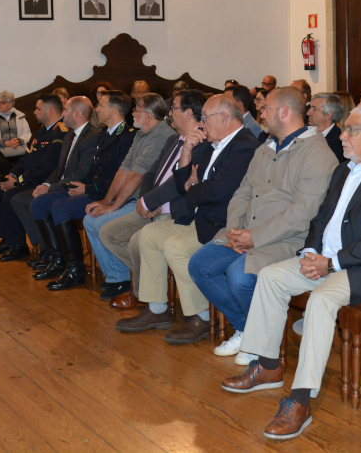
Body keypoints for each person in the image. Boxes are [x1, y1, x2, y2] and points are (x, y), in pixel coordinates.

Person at [219, 106, 361, 440]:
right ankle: (268, 366)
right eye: (345, 129)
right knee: (270, 277)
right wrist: (310, 252)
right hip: (324, 259)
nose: (342, 135)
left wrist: (331, 262)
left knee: (321, 302)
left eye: (352, 130)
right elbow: (320, 218)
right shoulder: (342, 171)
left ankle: (300, 400)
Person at [188, 87, 337, 364]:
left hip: (287, 240)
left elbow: (301, 214)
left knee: (240, 276)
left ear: (284, 112)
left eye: (265, 108)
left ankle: (259, 341)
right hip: (246, 233)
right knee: (200, 265)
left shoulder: (317, 153)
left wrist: (254, 238)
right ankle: (248, 328)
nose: (260, 113)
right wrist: (234, 231)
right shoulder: (265, 148)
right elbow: (242, 192)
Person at [114, 94, 259, 343]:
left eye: (205, 118)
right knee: (147, 236)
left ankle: (202, 316)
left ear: (224, 118)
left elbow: (218, 190)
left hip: (222, 223)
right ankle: (158, 310)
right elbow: (183, 182)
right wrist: (187, 150)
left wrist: (193, 187)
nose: (201, 124)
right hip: (201, 216)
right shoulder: (214, 143)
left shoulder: (244, 145)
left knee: (176, 247)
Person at [99, 90, 207, 306]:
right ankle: (150, 281)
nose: (169, 112)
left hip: (174, 211)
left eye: (174, 108)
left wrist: (150, 202)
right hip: (153, 205)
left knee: (138, 242)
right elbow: (150, 173)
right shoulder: (173, 139)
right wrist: (145, 201)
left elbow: (179, 184)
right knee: (108, 233)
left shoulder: (202, 142)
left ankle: (144, 294)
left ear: (188, 113)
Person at [9, 95, 114, 276]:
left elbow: (80, 174)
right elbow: (59, 168)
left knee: (45, 204)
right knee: (37, 201)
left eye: (65, 110)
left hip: (78, 188)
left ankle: (69, 264)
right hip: (63, 185)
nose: (62, 114)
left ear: (77, 113)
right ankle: (56, 257)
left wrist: (52, 188)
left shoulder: (92, 137)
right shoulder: (69, 136)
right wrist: (46, 184)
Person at [84, 93, 175, 299]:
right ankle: (116, 276)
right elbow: (125, 169)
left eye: (137, 109)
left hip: (151, 204)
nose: (132, 113)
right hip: (137, 199)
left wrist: (113, 207)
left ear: (149, 115)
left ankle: (128, 278)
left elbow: (136, 176)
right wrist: (107, 201)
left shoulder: (161, 135)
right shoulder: (142, 133)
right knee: (90, 219)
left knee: (100, 224)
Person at [0, 95, 67, 260]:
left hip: (43, 180)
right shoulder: (43, 131)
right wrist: (13, 174)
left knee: (10, 195)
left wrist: (18, 182)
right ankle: (8, 239)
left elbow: (46, 167)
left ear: (50, 110)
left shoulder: (60, 132)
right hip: (32, 177)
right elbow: (29, 159)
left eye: (38, 109)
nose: (34, 112)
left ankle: (19, 244)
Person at [0, 91, 32, 178]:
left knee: (27, 160)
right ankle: (6, 185)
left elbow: (27, 133)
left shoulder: (19, 116)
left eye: (3, 102)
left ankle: (22, 185)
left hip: (17, 147)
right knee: (3, 163)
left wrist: (18, 141)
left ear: (10, 104)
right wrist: (5, 143)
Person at [307, 93, 346, 163]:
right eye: (310, 108)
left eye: (314, 109)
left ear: (328, 115)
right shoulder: (305, 133)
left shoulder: (339, 143)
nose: (308, 113)